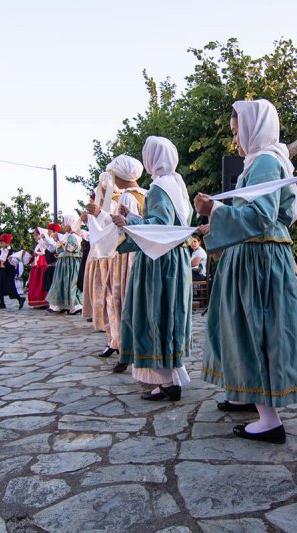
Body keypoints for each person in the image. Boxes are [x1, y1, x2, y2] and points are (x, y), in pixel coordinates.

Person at [194, 100, 297, 445]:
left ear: (254, 128)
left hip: (259, 261)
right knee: (243, 328)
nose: (235, 139)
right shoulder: (261, 163)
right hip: (254, 257)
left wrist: (216, 209)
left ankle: (270, 420)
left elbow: (259, 218)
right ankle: (243, 393)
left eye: (237, 131)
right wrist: (218, 221)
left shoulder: (266, 163)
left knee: (258, 330)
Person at [112, 136, 193, 398]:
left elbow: (158, 227)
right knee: (170, 315)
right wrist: (133, 217)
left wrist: (125, 225)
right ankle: (172, 378)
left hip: (159, 261)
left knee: (155, 314)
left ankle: (167, 384)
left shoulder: (159, 187)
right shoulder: (176, 185)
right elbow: (165, 222)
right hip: (176, 259)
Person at [86, 157, 147, 360]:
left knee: (118, 299)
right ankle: (122, 342)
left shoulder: (127, 198)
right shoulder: (145, 194)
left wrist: (99, 214)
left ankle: (122, 343)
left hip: (125, 253)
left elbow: (119, 229)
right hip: (140, 252)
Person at [46, 213, 84, 314]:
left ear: (70, 223)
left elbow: (70, 249)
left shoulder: (72, 236)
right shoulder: (67, 236)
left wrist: (61, 244)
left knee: (70, 283)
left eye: (64, 222)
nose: (62, 225)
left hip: (69, 264)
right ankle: (61, 305)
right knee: (61, 283)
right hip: (64, 263)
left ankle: (75, 306)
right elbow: (58, 250)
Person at [27, 231, 49, 308]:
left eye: (36, 235)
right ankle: (37, 301)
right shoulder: (37, 245)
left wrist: (38, 254)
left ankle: (43, 301)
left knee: (41, 284)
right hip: (36, 265)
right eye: (35, 235)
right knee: (36, 284)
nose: (35, 237)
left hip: (42, 265)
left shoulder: (43, 243)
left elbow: (45, 251)